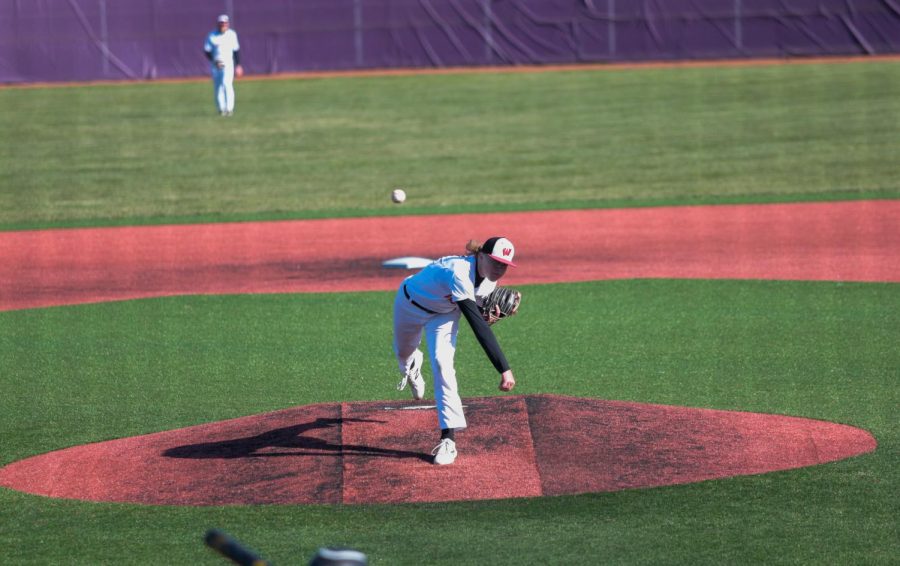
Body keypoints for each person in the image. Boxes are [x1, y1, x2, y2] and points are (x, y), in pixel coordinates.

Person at [393, 236, 518, 465]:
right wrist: (504, 368)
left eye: (505, 265)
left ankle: (448, 439)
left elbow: (478, 311)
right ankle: (412, 365)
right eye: (496, 262)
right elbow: (477, 325)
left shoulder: (489, 282)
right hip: (409, 303)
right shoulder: (458, 272)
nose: (500, 268)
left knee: (443, 364)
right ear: (480, 256)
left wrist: (488, 312)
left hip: (444, 315)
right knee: (403, 353)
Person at [203, 14, 243, 116]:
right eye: (221, 23)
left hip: (228, 63)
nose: (223, 25)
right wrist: (214, 60)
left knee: (227, 84)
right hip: (216, 64)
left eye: (225, 23)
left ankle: (229, 109)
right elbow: (207, 51)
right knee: (218, 87)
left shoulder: (232, 34)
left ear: (228, 24)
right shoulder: (212, 35)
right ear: (218, 24)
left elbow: (236, 50)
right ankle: (221, 109)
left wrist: (238, 65)